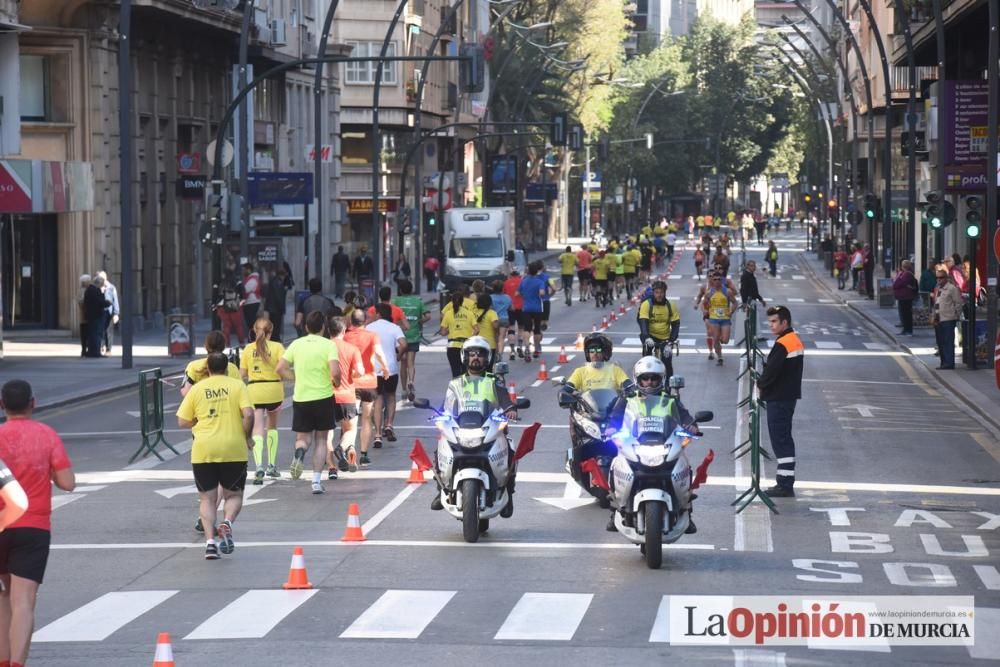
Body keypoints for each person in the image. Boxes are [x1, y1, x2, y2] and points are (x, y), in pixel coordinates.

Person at [0, 379, 74, 667]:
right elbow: (67, 482)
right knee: (23, 602)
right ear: (33, 403)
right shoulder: (47, 435)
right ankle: (17, 664)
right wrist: (49, 474)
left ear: (2, 405)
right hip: (33, 527)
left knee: (3, 599)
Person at [605, 356, 697, 532]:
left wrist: (691, 425)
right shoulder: (628, 398)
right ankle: (614, 508)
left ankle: (687, 510)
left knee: (684, 464)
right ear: (638, 379)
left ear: (661, 379)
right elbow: (615, 418)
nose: (649, 382)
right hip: (635, 442)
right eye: (645, 378)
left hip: (664, 442)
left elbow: (684, 416)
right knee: (616, 464)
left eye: (654, 378)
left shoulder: (670, 399)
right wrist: (610, 429)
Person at [177, 353, 253, 559]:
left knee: (207, 499)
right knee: (233, 495)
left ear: (208, 369)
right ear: (227, 369)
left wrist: (198, 423)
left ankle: (210, 544)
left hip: (204, 449)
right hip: (233, 447)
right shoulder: (238, 386)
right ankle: (227, 523)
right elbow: (249, 414)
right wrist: (247, 437)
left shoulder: (198, 389)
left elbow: (182, 421)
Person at [431, 336, 518, 515]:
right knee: (440, 446)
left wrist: (510, 409)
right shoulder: (455, 383)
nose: (476, 358)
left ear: (487, 358)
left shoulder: (494, 381)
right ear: (465, 357)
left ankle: (508, 493)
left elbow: (504, 399)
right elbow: (446, 404)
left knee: (511, 449)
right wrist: (437, 414)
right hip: (462, 426)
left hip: (489, 426)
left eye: (480, 354)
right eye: (472, 354)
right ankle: (440, 489)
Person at [275, 311, 341, 494]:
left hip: (301, 398)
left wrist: (294, 377)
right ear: (324, 327)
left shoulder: (296, 344)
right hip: (323, 397)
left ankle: (299, 453)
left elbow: (280, 368)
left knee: (303, 438)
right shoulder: (328, 345)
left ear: (305, 327)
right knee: (321, 439)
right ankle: (316, 481)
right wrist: (336, 382)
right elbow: (335, 372)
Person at [758, 306, 804, 498]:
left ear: (785, 322)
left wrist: (760, 384)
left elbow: (771, 372)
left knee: (781, 440)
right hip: (787, 396)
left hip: (779, 397)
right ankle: (785, 481)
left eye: (774, 321)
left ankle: (785, 484)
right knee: (783, 438)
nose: (771, 325)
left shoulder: (784, 343)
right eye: (769, 322)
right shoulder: (792, 340)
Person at [239, 317, 285, 484]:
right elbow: (282, 370)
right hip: (274, 390)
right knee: (272, 427)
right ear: (271, 332)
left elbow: (242, 374)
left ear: (254, 330)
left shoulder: (248, 349)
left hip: (254, 391)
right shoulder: (278, 347)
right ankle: (271, 465)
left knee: (257, 429)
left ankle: (258, 465)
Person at [345, 309, 389, 461]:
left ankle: (349, 450)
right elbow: (378, 353)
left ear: (351, 321)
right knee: (366, 418)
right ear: (365, 321)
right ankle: (363, 454)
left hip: (351, 383)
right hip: (369, 382)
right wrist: (385, 368)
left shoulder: (346, 336)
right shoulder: (372, 336)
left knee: (351, 421)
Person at [327, 316, 365, 473]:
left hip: (326, 395)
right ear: (344, 330)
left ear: (329, 331)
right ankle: (342, 449)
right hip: (347, 395)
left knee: (327, 434)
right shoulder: (351, 349)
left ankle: (331, 468)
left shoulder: (323, 348)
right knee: (350, 429)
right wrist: (351, 376)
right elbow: (360, 372)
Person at [367, 303, 407, 447]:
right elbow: (403, 344)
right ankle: (389, 424)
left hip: (375, 369)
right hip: (391, 368)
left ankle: (377, 434)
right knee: (390, 397)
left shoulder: (369, 328)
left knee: (377, 400)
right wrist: (399, 356)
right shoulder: (394, 327)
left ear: (378, 314)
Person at [392, 279, 430, 403]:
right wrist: (419, 322)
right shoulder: (418, 301)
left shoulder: (395, 301)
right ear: (411, 289)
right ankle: (411, 382)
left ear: (401, 290)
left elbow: (391, 316)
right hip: (414, 335)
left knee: (402, 363)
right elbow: (427, 316)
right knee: (411, 362)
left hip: (400, 336)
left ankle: (403, 389)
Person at [637, 280, 681, 379]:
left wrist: (670, 342)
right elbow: (643, 322)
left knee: (667, 362)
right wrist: (647, 337)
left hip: (665, 338)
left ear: (665, 293)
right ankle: (644, 384)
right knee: (647, 362)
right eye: (657, 292)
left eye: (661, 292)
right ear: (653, 292)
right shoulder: (646, 304)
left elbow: (675, 325)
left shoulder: (671, 305)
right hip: (650, 336)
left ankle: (668, 386)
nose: (659, 295)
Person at [180, 331, 242, 398]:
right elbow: (240, 392)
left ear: (205, 347)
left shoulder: (193, 366)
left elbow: (185, 392)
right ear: (224, 346)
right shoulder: (232, 367)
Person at [564, 333, 629, 392]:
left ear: (605, 352)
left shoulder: (615, 370)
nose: (595, 353)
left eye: (598, 350)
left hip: (612, 404)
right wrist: (564, 391)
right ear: (587, 353)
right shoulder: (580, 372)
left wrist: (632, 389)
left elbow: (628, 384)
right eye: (591, 350)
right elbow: (568, 387)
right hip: (587, 404)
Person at [439, 291, 478, 377]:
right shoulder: (469, 313)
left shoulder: (448, 314)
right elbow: (477, 329)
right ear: (462, 301)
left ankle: (457, 389)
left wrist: (451, 329)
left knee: (455, 372)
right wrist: (471, 338)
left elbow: (442, 332)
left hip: (452, 346)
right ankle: (465, 389)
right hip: (466, 345)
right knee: (466, 371)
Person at [702, 272, 737, 366]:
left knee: (725, 340)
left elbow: (735, 303)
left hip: (725, 318)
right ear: (712, 281)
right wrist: (705, 311)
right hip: (714, 319)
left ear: (722, 280)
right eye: (715, 279)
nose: (717, 281)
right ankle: (720, 357)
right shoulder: (709, 292)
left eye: (719, 279)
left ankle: (721, 340)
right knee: (716, 339)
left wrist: (731, 312)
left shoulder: (727, 291)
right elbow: (704, 303)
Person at [932, 269, 963, 370]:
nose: (939, 280)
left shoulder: (952, 289)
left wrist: (955, 315)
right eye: (937, 278)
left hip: (948, 319)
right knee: (940, 343)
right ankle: (943, 362)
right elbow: (936, 304)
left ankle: (949, 363)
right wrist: (933, 316)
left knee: (948, 342)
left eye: (941, 278)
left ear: (946, 278)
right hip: (938, 319)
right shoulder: (938, 289)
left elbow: (958, 303)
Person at [517, 262, 547, 360]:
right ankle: (536, 349)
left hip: (526, 308)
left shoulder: (524, 281)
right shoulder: (539, 282)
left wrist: (525, 296)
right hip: (538, 308)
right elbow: (542, 293)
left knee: (527, 329)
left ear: (528, 271)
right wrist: (540, 296)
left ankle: (526, 348)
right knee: (537, 329)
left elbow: (517, 293)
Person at [214, 274, 246, 347]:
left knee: (226, 326)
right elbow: (242, 295)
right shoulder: (237, 282)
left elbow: (216, 294)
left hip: (222, 306)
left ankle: (226, 344)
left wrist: (215, 305)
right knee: (238, 326)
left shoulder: (220, 282)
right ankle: (241, 342)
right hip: (235, 306)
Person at [83, 274, 110, 358]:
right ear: (99, 284)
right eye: (102, 284)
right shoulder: (96, 290)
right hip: (97, 316)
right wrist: (108, 302)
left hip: (91, 315)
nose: (102, 286)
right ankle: (95, 352)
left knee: (93, 334)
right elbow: (101, 302)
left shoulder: (89, 290)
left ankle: (92, 351)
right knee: (97, 334)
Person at [893, 260, 919, 336]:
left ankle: (908, 330)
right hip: (903, 297)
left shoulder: (907, 274)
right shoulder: (903, 274)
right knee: (904, 314)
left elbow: (897, 284)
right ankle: (905, 329)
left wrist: (898, 277)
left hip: (906, 297)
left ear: (903, 266)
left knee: (907, 314)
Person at [97, 270, 119, 356]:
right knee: (100, 329)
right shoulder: (98, 287)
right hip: (100, 311)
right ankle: (100, 346)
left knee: (108, 331)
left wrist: (116, 313)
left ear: (105, 279)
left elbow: (115, 300)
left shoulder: (111, 287)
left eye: (101, 279)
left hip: (109, 312)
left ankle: (108, 349)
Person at [263, 268, 289, 342]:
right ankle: (276, 340)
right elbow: (278, 296)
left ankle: (274, 339)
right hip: (276, 308)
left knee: (274, 325)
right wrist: (282, 308)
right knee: (276, 325)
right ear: (282, 275)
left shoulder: (274, 281)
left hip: (272, 308)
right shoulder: (278, 282)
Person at [241, 263, 262, 337]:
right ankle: (253, 337)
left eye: (244, 270)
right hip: (250, 302)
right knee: (250, 322)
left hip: (251, 302)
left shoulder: (252, 279)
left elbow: (245, 290)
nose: (242, 272)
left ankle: (255, 337)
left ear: (249, 270)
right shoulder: (251, 278)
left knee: (251, 322)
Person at [77, 274, 91, 357]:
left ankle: (85, 349)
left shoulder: (86, 290)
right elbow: (81, 302)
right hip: (84, 316)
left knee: (85, 334)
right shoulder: (82, 291)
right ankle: (84, 349)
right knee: (85, 334)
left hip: (85, 316)